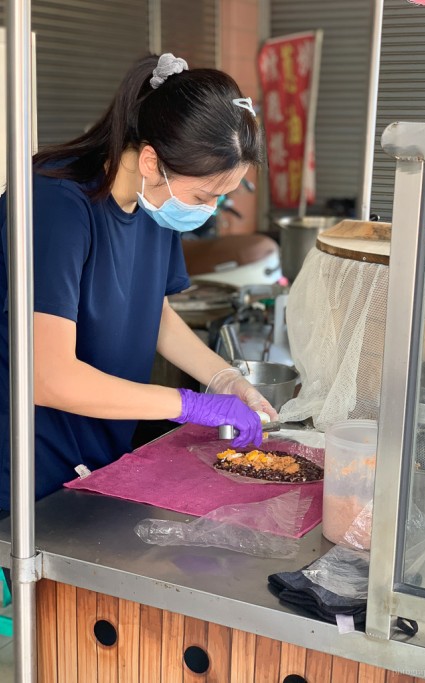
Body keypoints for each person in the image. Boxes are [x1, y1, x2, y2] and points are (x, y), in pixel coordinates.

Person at [0, 53, 276, 507]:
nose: (207, 212)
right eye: (204, 196)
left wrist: (222, 378)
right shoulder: (54, 205)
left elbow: (154, 313)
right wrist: (190, 405)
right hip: (31, 465)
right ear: (151, 161)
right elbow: (48, 378)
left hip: (101, 449)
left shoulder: (153, 206)